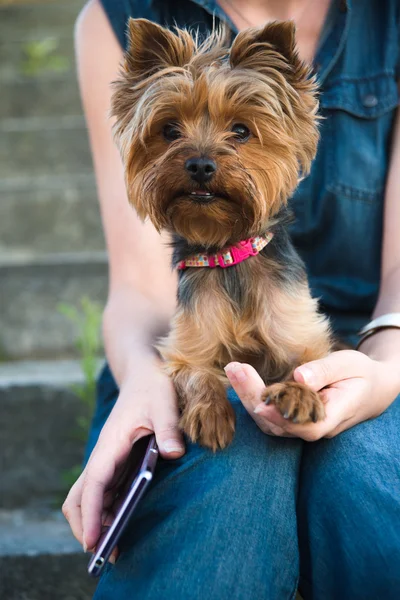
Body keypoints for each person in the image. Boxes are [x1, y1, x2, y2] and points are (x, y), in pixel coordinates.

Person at [62, 1, 400, 598]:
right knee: (228, 472)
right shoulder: (118, 17)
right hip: (165, 342)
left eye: (238, 133)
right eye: (171, 132)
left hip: (377, 341)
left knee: (360, 483)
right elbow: (143, 293)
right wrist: (150, 379)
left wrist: (385, 368)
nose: (199, 157)